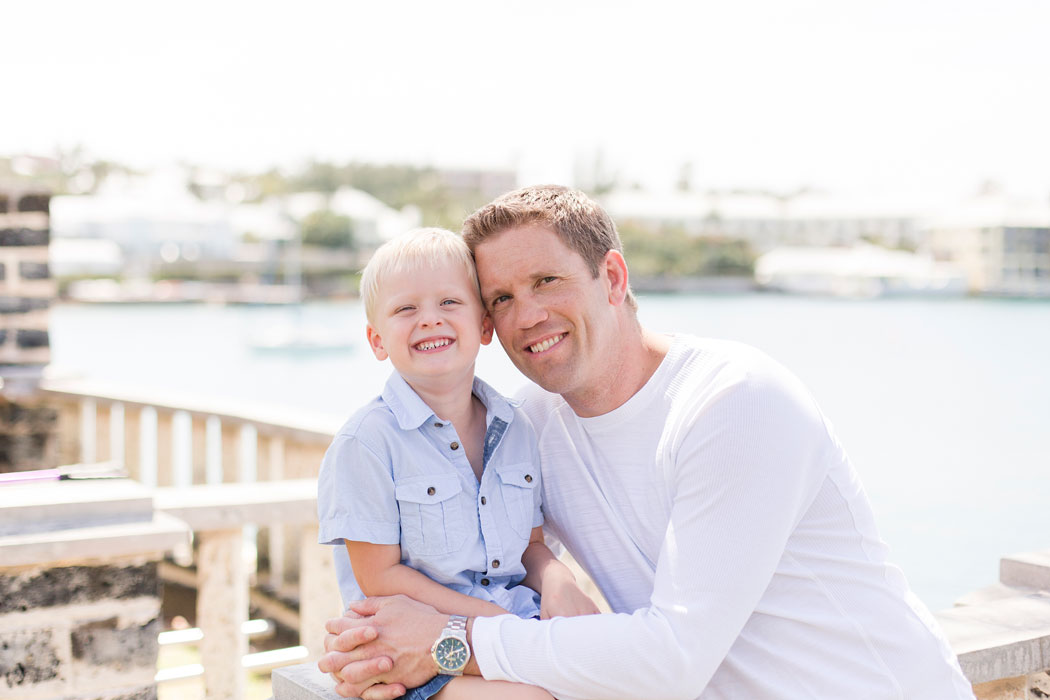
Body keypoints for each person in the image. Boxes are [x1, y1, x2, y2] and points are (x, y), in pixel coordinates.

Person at [319, 187, 976, 700]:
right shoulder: (528, 424)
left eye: (547, 281)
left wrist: (446, 645)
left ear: (613, 277)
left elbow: (675, 658)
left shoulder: (733, 402)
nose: (526, 316)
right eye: (502, 297)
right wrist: (374, 648)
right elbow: (494, 547)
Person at [316, 228, 600, 700]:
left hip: (512, 628)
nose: (429, 320)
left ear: (485, 326)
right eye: (406, 309)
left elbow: (529, 546)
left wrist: (558, 581)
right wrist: (500, 627)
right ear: (377, 339)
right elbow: (379, 577)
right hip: (415, 652)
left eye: (449, 302)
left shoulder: (516, 427)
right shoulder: (366, 443)